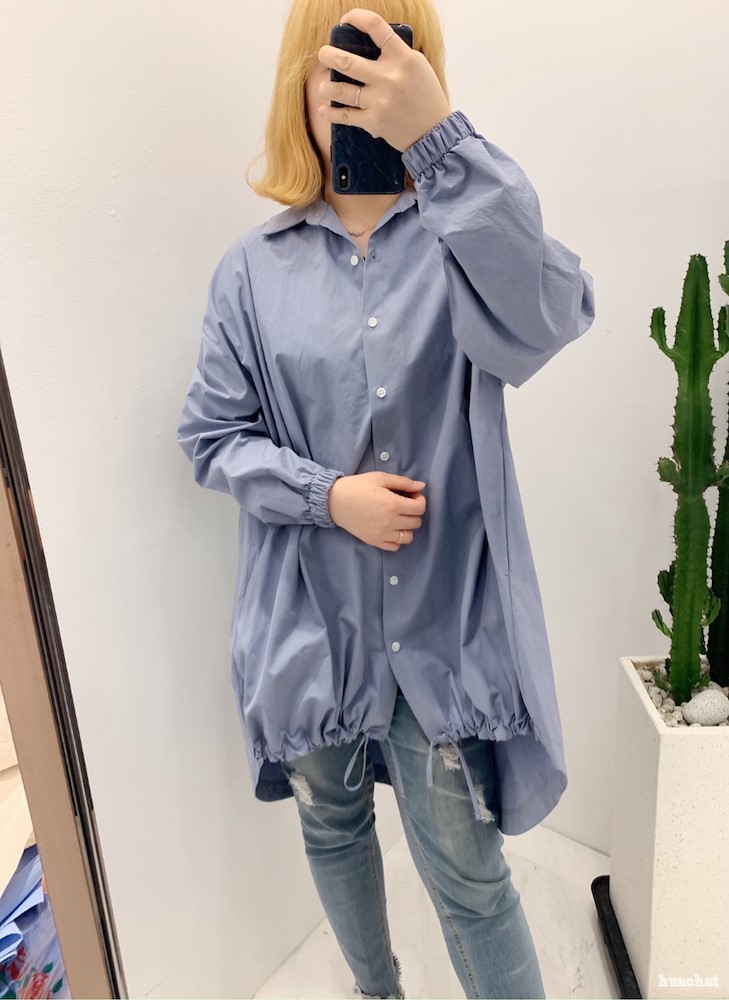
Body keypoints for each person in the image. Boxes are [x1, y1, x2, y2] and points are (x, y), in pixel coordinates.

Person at [176, 2, 596, 997]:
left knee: (469, 874)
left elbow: (553, 314)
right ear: (300, 80)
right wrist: (329, 497)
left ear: (422, 75)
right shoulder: (251, 271)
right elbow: (211, 438)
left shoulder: (463, 239)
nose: (359, 84)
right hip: (308, 627)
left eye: (388, 59)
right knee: (332, 824)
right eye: (340, 62)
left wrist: (442, 143)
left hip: (441, 626)